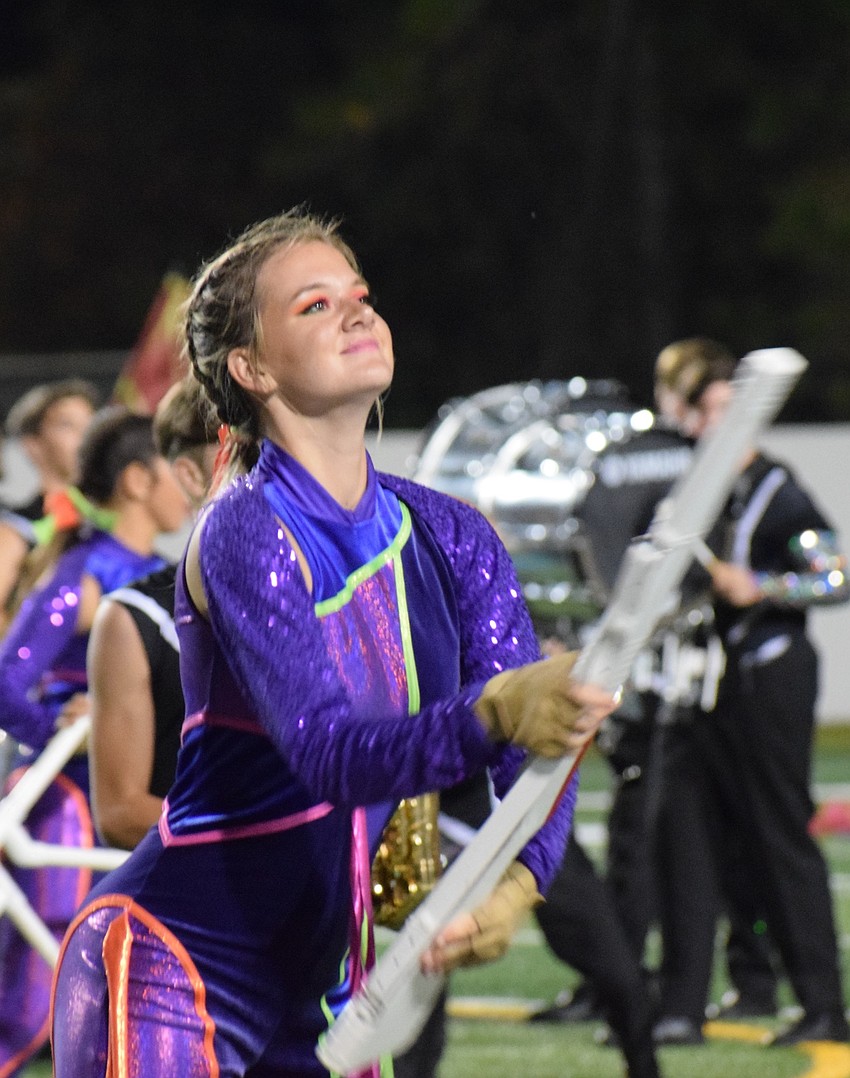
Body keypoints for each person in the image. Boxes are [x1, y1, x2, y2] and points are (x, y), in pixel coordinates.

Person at [50, 208, 617, 1078]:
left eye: (360, 295)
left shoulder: (455, 536)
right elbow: (330, 754)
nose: (357, 312)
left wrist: (522, 878)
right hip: (171, 966)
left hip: (332, 997)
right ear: (252, 367)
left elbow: (539, 754)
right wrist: (497, 709)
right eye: (314, 306)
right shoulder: (245, 528)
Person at [651, 342, 850, 1047]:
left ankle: (826, 1004)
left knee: (779, 838)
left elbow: (835, 574)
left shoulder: (777, 488)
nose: (703, 421)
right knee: (710, 838)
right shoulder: (698, 492)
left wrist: (761, 586)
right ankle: (740, 988)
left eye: (714, 406)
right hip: (714, 685)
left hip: (773, 676)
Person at [0, 406, 189, 1077]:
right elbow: (4, 678)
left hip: (132, 798)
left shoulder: (167, 570)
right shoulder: (86, 571)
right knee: (33, 1004)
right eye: (176, 465)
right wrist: (57, 726)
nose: (190, 481)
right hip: (67, 807)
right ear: (139, 480)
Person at [87, 376, 219, 849]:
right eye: (246, 446)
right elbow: (121, 810)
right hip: (203, 894)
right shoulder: (133, 608)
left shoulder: (326, 588)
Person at [0, 380, 99, 633]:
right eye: (67, 425)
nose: (84, 434)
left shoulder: (107, 521)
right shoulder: (15, 529)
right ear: (32, 443)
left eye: (91, 423)